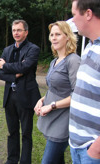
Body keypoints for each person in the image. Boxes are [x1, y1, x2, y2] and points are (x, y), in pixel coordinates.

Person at [34, 21, 80, 164]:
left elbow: (77, 96)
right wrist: (41, 100)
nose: (53, 38)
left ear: (67, 37)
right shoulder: (54, 61)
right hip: (51, 117)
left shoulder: (73, 61)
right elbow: (55, 89)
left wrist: (52, 105)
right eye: (52, 34)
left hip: (64, 120)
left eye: (58, 34)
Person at [0, 19, 41, 164]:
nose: (16, 33)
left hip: (26, 96)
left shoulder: (33, 49)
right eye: (14, 30)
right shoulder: (7, 50)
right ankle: (12, 159)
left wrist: (6, 66)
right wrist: (14, 73)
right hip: (10, 96)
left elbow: (25, 67)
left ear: (26, 32)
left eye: (19, 30)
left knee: (26, 133)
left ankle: (25, 161)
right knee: (12, 132)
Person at [69, 0, 100, 163]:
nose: (72, 20)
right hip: (78, 146)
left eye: (74, 15)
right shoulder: (90, 46)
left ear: (88, 14)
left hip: (92, 150)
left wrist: (96, 149)